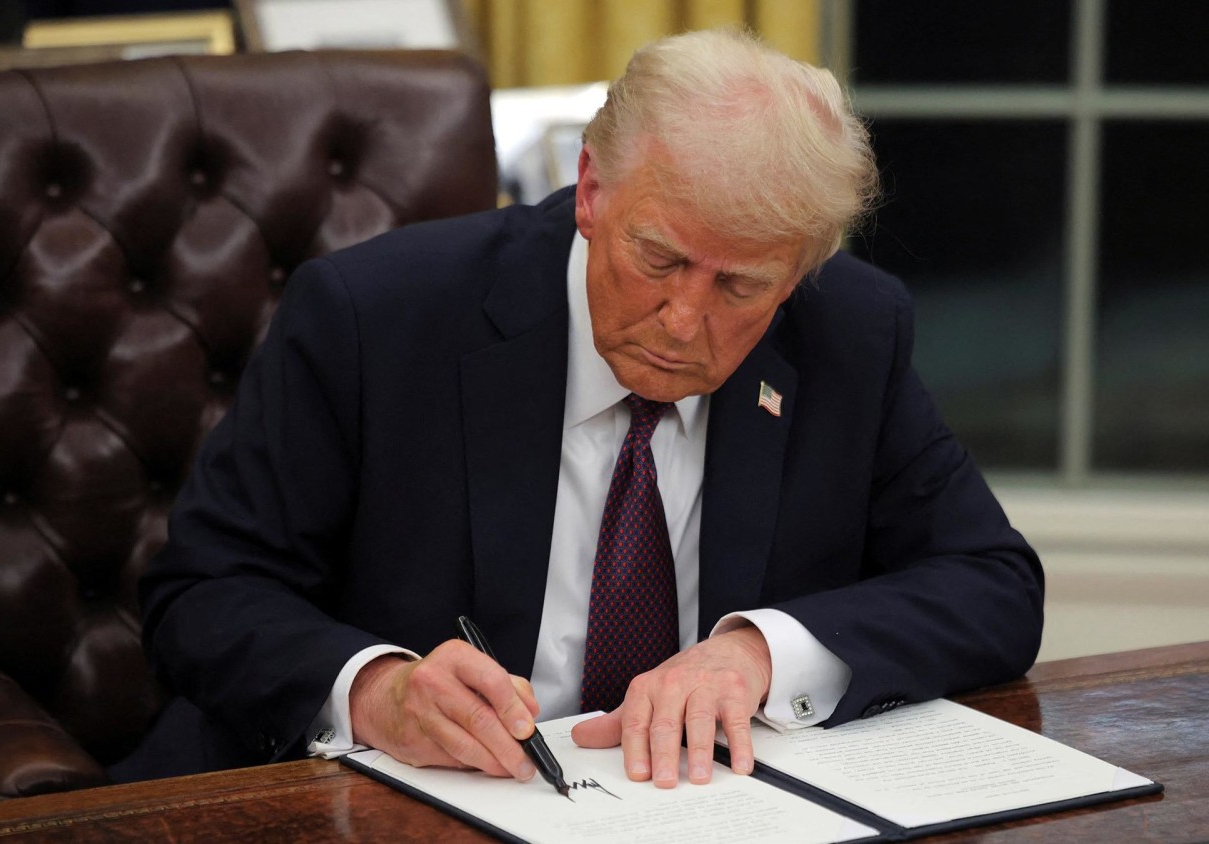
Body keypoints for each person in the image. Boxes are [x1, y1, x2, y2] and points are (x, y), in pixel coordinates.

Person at [124, 28, 1044, 790]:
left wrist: (760, 656)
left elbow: (992, 583)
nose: (684, 322)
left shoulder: (849, 332)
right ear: (592, 188)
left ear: (799, 273)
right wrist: (376, 692)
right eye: (659, 259)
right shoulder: (374, 318)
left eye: (741, 287)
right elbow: (201, 592)